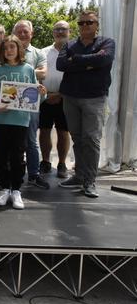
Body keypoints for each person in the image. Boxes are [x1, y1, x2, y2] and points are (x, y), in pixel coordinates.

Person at [57, 11, 115, 198]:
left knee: (91, 139)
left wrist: (77, 60)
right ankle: (79, 175)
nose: (85, 26)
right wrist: (89, 63)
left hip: (95, 98)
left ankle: (90, 180)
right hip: (71, 97)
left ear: (97, 24)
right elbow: (61, 64)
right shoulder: (70, 44)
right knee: (78, 137)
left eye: (89, 22)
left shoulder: (106, 43)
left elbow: (104, 59)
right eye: (81, 23)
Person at [0, 36, 46, 209]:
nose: (9, 51)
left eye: (12, 47)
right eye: (6, 48)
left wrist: (42, 93)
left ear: (19, 49)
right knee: (1, 155)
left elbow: (34, 96)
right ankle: (5, 188)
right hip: (1, 120)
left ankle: (16, 190)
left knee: (18, 156)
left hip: (20, 120)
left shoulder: (28, 69)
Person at [12, 20, 49, 189]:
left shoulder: (38, 53)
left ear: (31, 33)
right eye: (18, 31)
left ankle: (34, 174)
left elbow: (43, 72)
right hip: (11, 103)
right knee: (11, 140)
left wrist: (23, 71)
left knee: (31, 140)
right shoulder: (9, 49)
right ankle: (7, 174)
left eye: (25, 31)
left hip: (31, 105)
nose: (22, 34)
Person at [39, 21, 71, 179]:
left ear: (69, 32)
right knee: (44, 131)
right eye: (57, 29)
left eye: (63, 29)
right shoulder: (43, 52)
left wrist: (61, 94)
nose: (60, 32)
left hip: (65, 98)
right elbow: (38, 74)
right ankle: (45, 162)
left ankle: (62, 164)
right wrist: (46, 95)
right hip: (45, 98)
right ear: (53, 33)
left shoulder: (73, 52)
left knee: (63, 132)